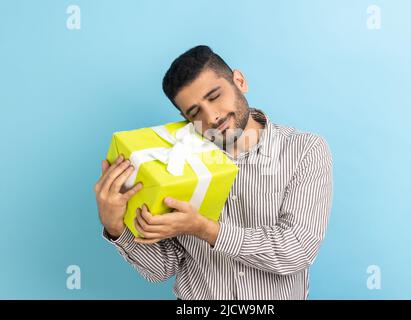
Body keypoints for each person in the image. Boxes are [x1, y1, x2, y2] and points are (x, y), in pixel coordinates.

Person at [94, 45, 333, 299]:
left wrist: (205, 229)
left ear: (239, 81)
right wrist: (115, 226)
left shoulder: (304, 150)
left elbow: (296, 250)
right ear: (185, 118)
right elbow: (162, 269)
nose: (212, 117)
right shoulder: (175, 164)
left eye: (214, 96)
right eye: (194, 112)